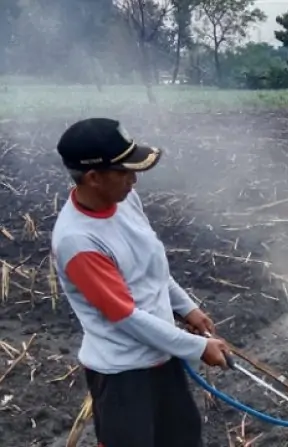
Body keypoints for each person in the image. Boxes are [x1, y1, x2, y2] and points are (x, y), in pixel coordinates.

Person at [50, 118, 231, 447]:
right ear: (93, 177)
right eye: (124, 172)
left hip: (163, 357)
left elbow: (151, 268)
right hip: (123, 376)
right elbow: (125, 316)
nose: (134, 180)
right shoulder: (78, 241)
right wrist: (197, 347)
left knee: (184, 438)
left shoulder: (123, 200)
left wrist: (186, 307)